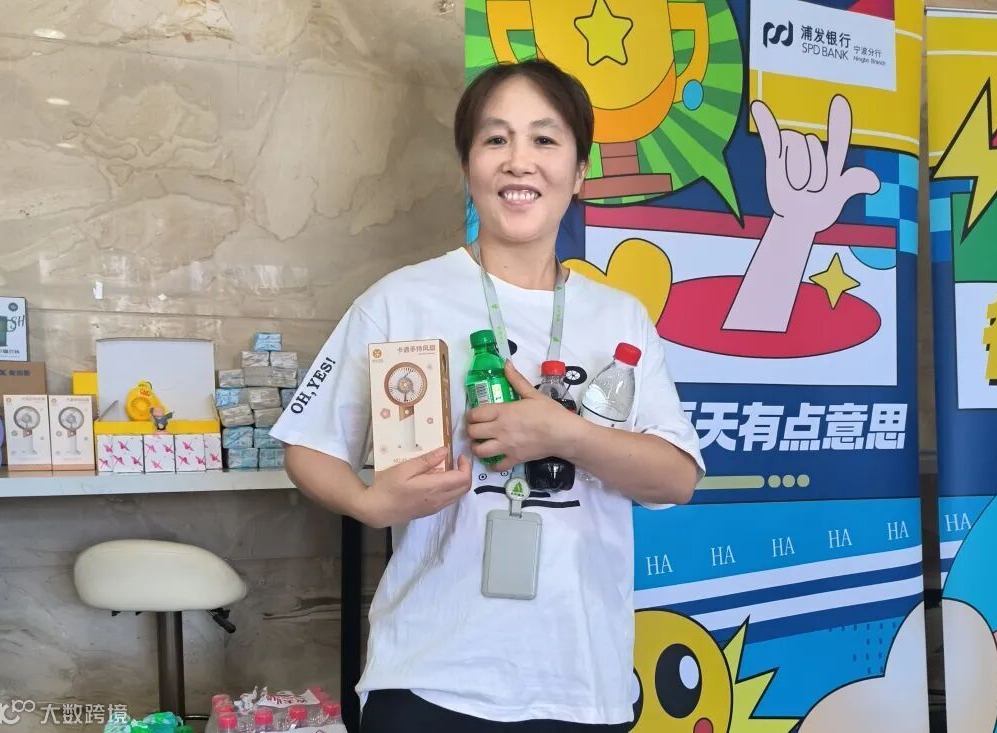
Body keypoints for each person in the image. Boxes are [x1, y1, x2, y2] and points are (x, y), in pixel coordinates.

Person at [270, 59, 704, 732]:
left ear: (580, 171)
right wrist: (368, 503)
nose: (518, 161)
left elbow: (677, 477)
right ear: (467, 166)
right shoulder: (401, 300)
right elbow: (307, 446)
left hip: (582, 682)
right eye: (495, 139)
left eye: (544, 139)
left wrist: (565, 434)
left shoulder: (619, 318)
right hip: (430, 676)